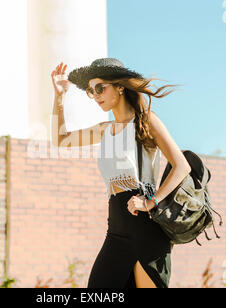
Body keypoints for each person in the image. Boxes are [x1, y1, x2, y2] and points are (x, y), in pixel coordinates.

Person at [50, 58, 191, 288]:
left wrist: (151, 202)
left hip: (145, 227)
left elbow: (181, 166)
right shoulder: (105, 130)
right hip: (116, 229)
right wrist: (59, 97)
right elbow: (60, 140)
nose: (95, 95)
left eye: (99, 88)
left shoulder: (145, 121)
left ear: (119, 86)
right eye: (90, 91)